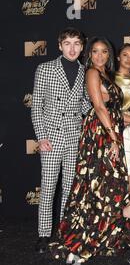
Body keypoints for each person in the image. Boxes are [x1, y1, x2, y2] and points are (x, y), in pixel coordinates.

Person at [49, 37, 130, 262]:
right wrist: (113, 139)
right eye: (95, 52)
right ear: (89, 54)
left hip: (111, 129)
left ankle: (106, 235)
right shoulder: (92, 73)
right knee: (98, 185)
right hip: (100, 134)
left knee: (111, 185)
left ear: (109, 54)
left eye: (104, 52)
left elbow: (115, 110)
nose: (99, 56)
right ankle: (84, 239)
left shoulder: (107, 75)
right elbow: (99, 107)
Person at [31, 27, 91, 253]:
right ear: (60, 46)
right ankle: (44, 235)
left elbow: (84, 104)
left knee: (68, 189)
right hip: (52, 139)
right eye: (68, 43)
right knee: (47, 189)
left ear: (82, 46)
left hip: (74, 138)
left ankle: (63, 232)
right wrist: (42, 137)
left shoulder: (85, 71)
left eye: (77, 43)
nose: (72, 48)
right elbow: (37, 106)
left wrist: (102, 109)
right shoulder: (45, 69)